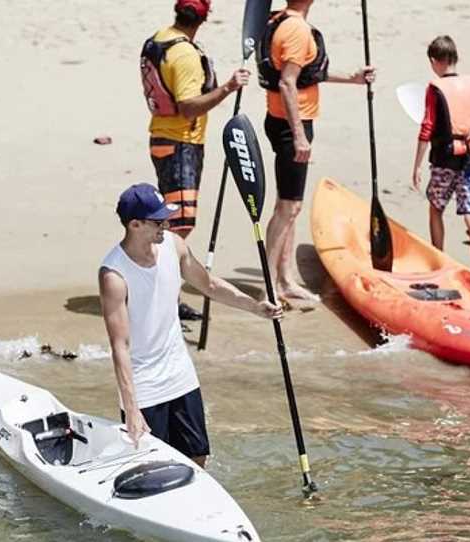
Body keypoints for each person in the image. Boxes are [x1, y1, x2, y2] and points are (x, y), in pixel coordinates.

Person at [99, 183, 282, 467]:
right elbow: (119, 347)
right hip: (144, 385)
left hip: (180, 375)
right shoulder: (114, 274)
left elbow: (209, 285)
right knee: (152, 467)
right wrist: (132, 409)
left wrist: (256, 307)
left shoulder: (175, 246)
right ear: (135, 224)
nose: (167, 225)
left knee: (198, 457)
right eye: (159, 221)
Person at [256, 0, 374, 303]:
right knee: (288, 208)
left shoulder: (281, 20)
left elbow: (306, 72)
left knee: (289, 205)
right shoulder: (296, 29)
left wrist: (352, 78)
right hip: (291, 126)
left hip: (280, 120)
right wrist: (298, 137)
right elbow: (287, 83)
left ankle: (285, 279)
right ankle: (270, 286)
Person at [140, 0, 251, 321]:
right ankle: (161, 297)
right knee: (179, 225)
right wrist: (229, 87)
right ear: (204, 18)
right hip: (180, 145)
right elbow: (189, 106)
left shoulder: (159, 38)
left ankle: (165, 297)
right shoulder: (185, 54)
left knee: (173, 222)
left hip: (165, 139)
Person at [410, 35, 470, 275]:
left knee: (436, 208)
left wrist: (418, 166)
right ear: (455, 57)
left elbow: (427, 127)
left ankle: (439, 261)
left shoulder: (435, 88)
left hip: (444, 161)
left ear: (435, 61)